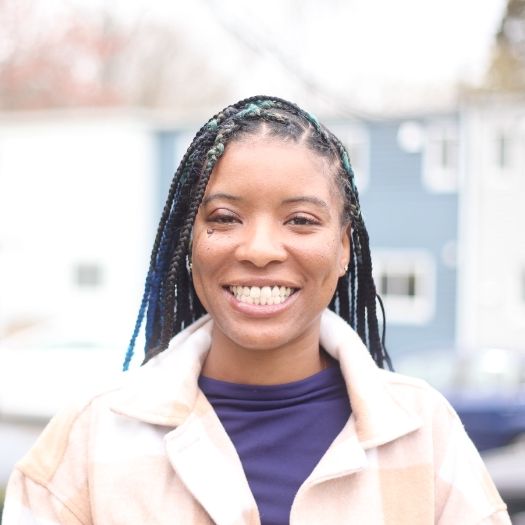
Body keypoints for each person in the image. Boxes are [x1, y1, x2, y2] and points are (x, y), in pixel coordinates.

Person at [3, 96, 510, 524]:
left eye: (302, 220)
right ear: (190, 242)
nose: (261, 249)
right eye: (225, 217)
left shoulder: (426, 434)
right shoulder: (90, 437)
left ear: (343, 249)